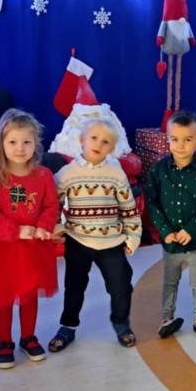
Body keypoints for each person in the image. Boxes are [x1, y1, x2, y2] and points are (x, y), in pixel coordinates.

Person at [0, 109, 59, 369]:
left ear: (36, 143)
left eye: (26, 142)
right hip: (3, 249)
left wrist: (43, 226)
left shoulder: (43, 175)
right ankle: (4, 342)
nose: (20, 148)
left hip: (34, 247)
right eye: (12, 142)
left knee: (29, 293)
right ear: (1, 144)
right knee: (4, 297)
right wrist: (16, 230)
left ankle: (28, 337)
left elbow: (51, 206)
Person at [49, 119, 142, 352]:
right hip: (78, 240)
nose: (99, 144)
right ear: (82, 140)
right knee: (74, 287)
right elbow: (51, 203)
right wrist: (55, 225)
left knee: (121, 286)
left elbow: (129, 209)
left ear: (111, 148)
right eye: (94, 138)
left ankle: (121, 323)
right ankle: (68, 326)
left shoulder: (116, 173)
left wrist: (132, 236)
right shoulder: (67, 173)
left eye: (105, 141)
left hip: (111, 241)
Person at [145, 110, 196, 343]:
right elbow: (152, 203)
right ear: (167, 139)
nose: (180, 145)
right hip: (171, 242)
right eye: (174, 139)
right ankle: (167, 319)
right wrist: (165, 231)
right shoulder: (159, 170)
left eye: (188, 139)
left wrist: (192, 230)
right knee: (170, 281)